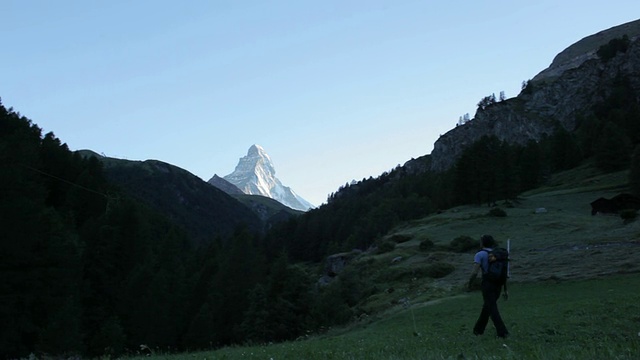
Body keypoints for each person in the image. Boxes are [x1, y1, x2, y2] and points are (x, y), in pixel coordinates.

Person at [467, 234, 509, 338]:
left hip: (488, 284)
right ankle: (478, 330)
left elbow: (474, 272)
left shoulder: (480, 254)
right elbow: (503, 272)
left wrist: (470, 282)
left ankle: (502, 332)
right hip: (498, 284)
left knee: (491, 308)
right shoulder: (497, 254)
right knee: (488, 306)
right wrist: (505, 289)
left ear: (482, 243)